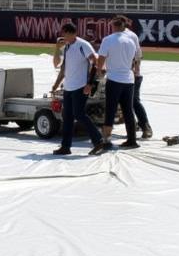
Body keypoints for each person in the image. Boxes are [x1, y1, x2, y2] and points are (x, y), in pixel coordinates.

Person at [50, 22, 104, 156]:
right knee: (66, 116)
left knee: (79, 114)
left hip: (80, 86)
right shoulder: (67, 47)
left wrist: (90, 84)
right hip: (69, 87)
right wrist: (57, 83)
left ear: (71, 33)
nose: (62, 36)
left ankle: (98, 140)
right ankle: (65, 146)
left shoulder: (83, 45)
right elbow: (59, 65)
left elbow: (95, 63)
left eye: (64, 33)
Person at [96, 15, 141, 151]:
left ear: (113, 26)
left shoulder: (108, 40)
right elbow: (135, 59)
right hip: (128, 79)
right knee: (128, 110)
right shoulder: (131, 40)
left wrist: (99, 71)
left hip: (115, 79)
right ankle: (132, 139)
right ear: (124, 26)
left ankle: (106, 140)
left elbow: (101, 58)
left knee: (110, 110)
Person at [119, 14, 153, 140]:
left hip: (131, 74)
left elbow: (138, 54)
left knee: (134, 101)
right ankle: (133, 125)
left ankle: (145, 126)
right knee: (123, 102)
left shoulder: (131, 36)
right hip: (121, 74)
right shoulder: (116, 36)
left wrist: (136, 70)